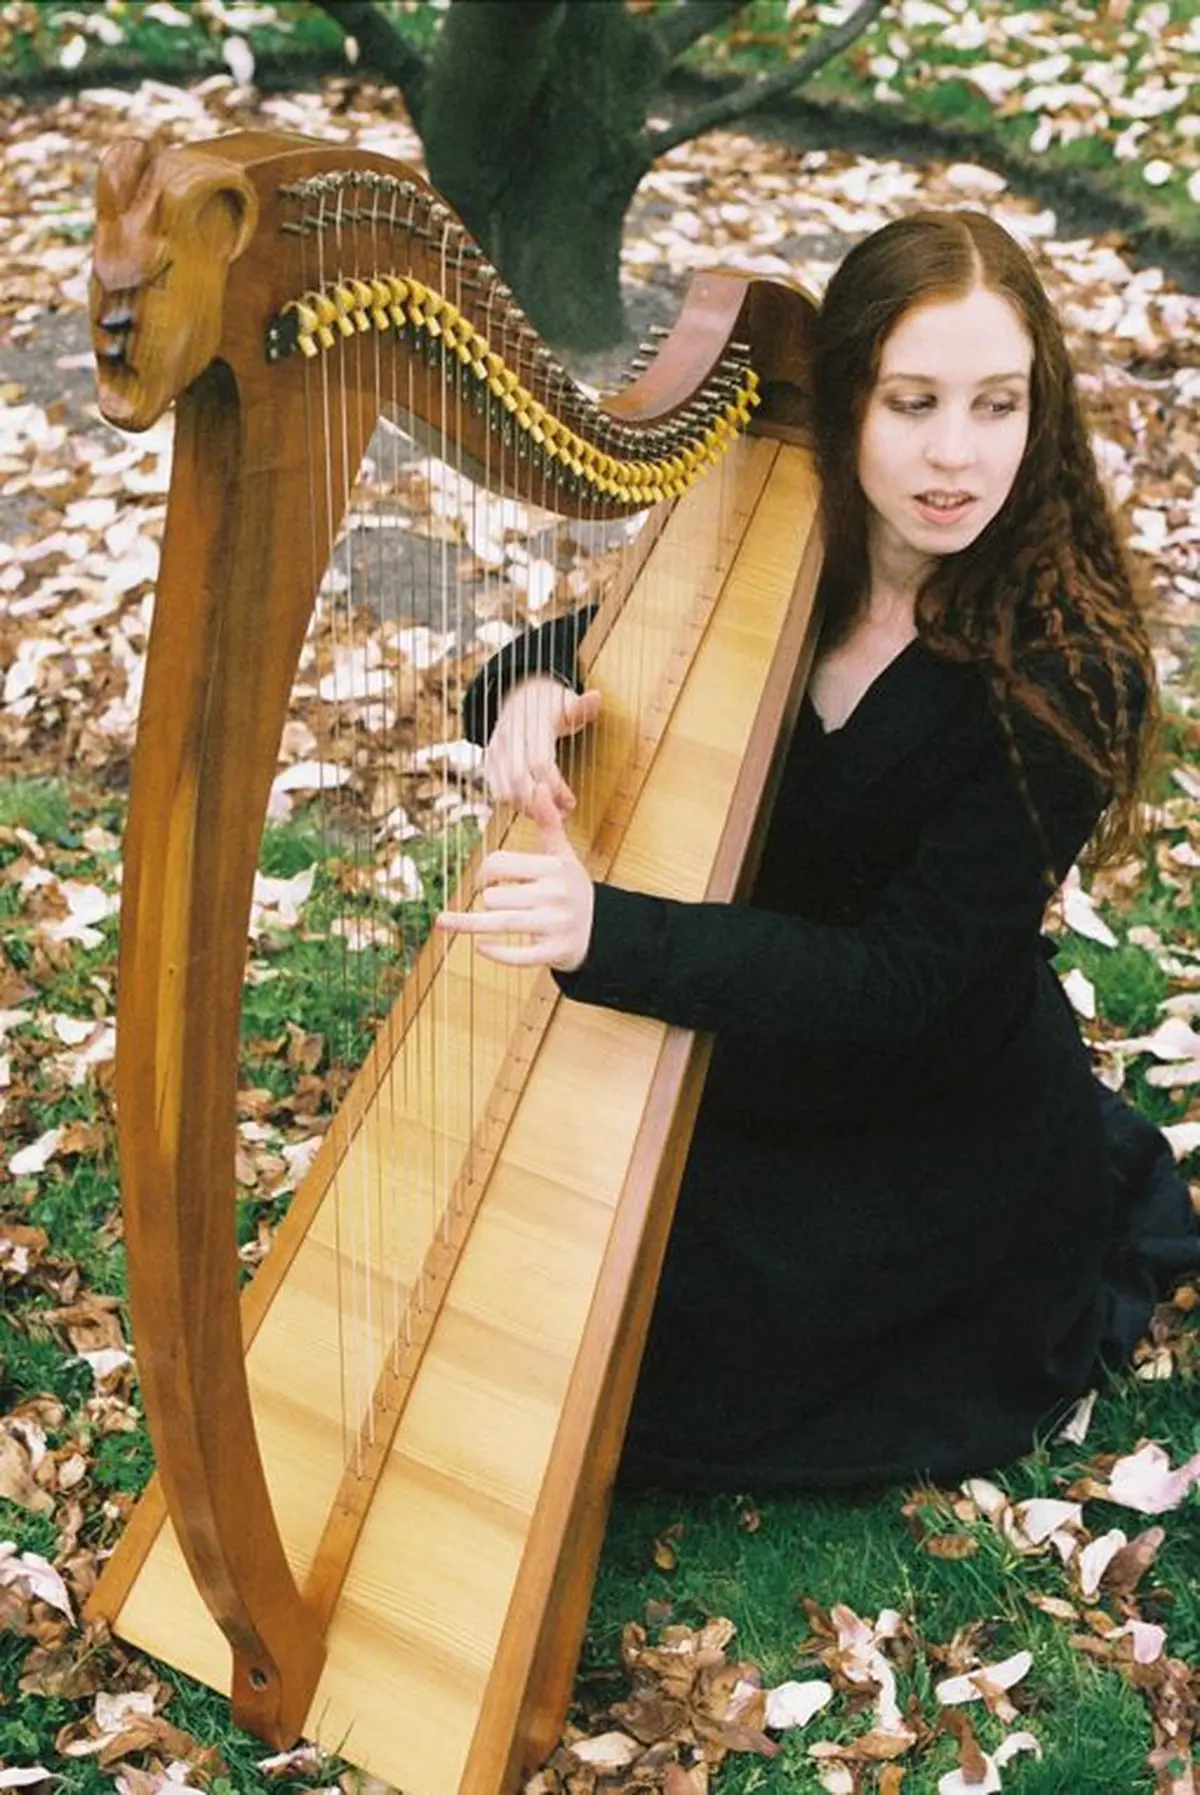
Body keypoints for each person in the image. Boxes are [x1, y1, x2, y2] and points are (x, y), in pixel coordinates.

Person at [437, 210, 1198, 1491]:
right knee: (513, 1276)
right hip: (734, 1029)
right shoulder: (789, 531)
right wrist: (528, 692)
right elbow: (571, 646)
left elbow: (895, 981)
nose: (956, 454)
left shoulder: (1071, 665)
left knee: (633, 1347)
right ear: (848, 399)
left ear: (1040, 412)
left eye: (995, 405)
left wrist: (602, 933)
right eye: (913, 403)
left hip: (905, 1102)